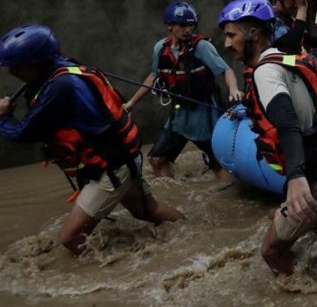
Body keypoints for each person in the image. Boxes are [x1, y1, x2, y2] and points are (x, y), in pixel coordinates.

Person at [0, 24, 184, 255]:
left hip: (111, 168)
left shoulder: (60, 87)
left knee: (69, 238)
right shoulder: (70, 70)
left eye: (16, 67)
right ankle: (192, 234)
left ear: (35, 62)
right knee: (147, 211)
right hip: (122, 158)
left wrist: (4, 116)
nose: (12, 72)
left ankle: (116, 277)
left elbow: (22, 133)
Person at [218, 0, 317, 276]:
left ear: (253, 33)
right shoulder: (279, 54)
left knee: (271, 251)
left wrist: (296, 178)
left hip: (315, 174)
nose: (226, 43)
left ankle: (303, 301)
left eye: (230, 35)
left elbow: (287, 123)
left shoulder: (266, 72)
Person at [123, 2, 241, 181]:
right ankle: (178, 191)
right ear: (170, 25)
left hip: (205, 117)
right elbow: (154, 76)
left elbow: (226, 70)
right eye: (183, 25)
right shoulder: (160, 48)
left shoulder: (202, 47)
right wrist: (132, 102)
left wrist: (233, 88)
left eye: (191, 25)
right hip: (179, 116)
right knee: (156, 160)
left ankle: (225, 194)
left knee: (220, 166)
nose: (188, 29)